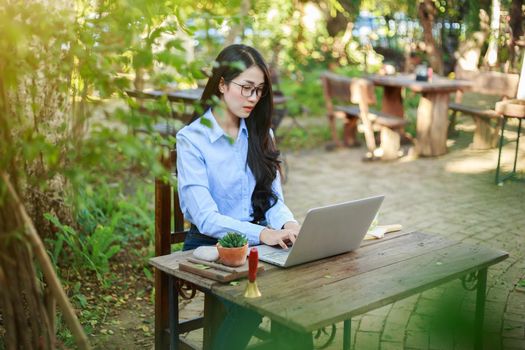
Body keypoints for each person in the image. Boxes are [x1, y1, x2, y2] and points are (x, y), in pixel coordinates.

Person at [176, 44, 300, 349]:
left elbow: (272, 198)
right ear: (221, 84)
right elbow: (205, 218)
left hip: (258, 241)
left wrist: (288, 224)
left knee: (301, 296)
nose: (253, 98)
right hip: (211, 244)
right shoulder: (192, 139)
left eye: (259, 90)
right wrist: (264, 234)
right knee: (251, 303)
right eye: (246, 88)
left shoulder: (261, 133)